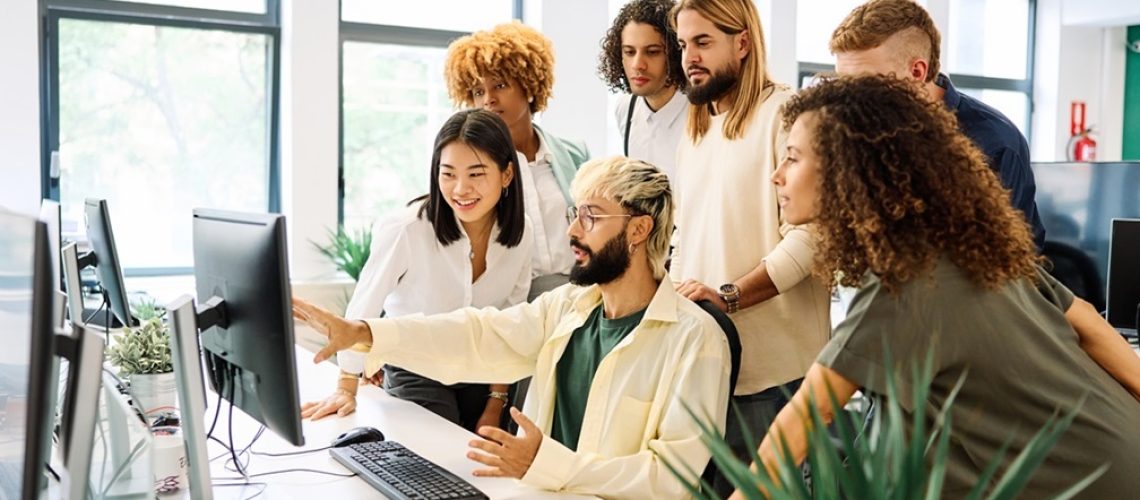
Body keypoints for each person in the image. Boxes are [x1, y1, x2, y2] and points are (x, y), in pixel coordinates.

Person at [734, 74, 1140, 499]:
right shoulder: (968, 243)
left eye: (794, 158)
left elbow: (809, 413)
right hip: (1120, 441)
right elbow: (1088, 321)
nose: (777, 176)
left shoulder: (902, 279)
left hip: (1081, 481)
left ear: (848, 169)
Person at [294, 157, 731, 498]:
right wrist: (366, 333)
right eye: (574, 215)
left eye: (591, 218)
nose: (573, 232)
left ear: (638, 230)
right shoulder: (570, 307)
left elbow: (671, 477)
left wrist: (545, 462)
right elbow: (477, 336)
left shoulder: (696, 340)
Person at [669, 0, 830, 493]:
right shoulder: (694, 130)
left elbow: (814, 236)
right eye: (682, 45)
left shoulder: (785, 114)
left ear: (742, 43)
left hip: (775, 380)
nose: (688, 57)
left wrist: (729, 296)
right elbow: (688, 237)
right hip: (709, 370)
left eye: (702, 42)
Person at [301, 109, 532, 434]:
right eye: (448, 173)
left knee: (486, 463)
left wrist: (496, 404)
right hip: (416, 368)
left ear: (507, 175)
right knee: (436, 458)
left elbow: (509, 324)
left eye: (476, 174)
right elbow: (364, 305)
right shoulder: (407, 229)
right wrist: (346, 385)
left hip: (483, 372)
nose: (460, 189)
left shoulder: (521, 235)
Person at [830, 0, 1046, 250]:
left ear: (917, 72)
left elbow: (1020, 259)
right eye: (843, 83)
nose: (849, 99)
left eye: (864, 84)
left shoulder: (996, 141)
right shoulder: (857, 131)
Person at [445, 21, 590, 301]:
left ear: (530, 85)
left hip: (580, 294)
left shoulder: (575, 155)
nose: (488, 99)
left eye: (500, 85)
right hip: (512, 303)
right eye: (478, 91)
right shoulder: (474, 169)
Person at [598, 0, 689, 186]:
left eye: (652, 52)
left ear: (674, 53)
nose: (638, 64)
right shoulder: (626, 108)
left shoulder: (703, 110)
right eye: (629, 52)